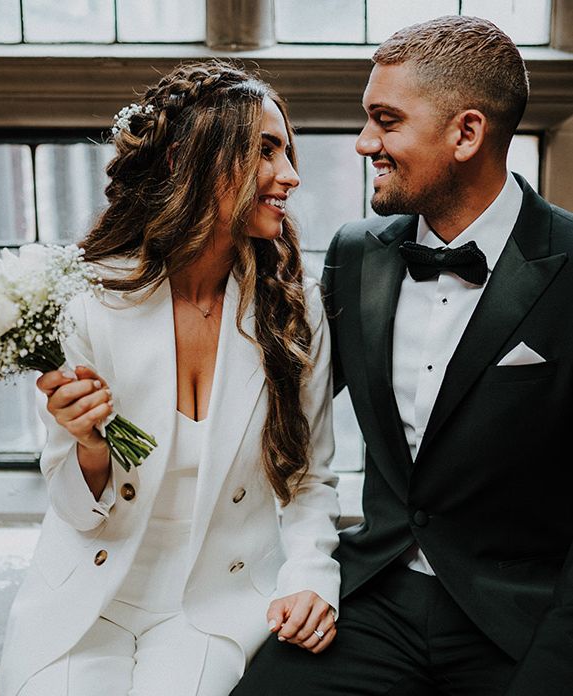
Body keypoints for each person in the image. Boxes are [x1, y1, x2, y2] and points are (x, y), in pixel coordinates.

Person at [232, 15, 573, 696]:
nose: (364, 144)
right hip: (371, 593)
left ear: (466, 133)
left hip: (516, 616)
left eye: (385, 121)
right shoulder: (356, 250)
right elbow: (274, 403)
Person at [0, 60, 342, 696]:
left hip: (217, 596)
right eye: (265, 152)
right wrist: (89, 446)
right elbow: (74, 507)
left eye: (287, 152)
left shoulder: (296, 308)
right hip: (89, 590)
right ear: (192, 159)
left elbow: (307, 477)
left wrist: (311, 576)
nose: (290, 176)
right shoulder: (89, 299)